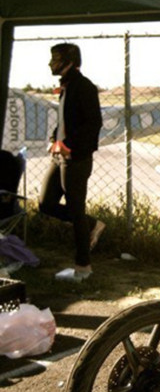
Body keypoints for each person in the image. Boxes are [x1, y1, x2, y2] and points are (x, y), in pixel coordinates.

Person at [39, 43, 105, 283]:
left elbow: (94, 123)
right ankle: (93, 224)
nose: (50, 63)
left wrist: (69, 145)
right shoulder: (67, 86)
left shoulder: (84, 86)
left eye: (55, 59)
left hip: (76, 159)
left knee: (76, 212)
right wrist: (53, 140)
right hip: (60, 157)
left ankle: (83, 268)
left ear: (69, 61)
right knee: (45, 203)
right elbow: (65, 121)